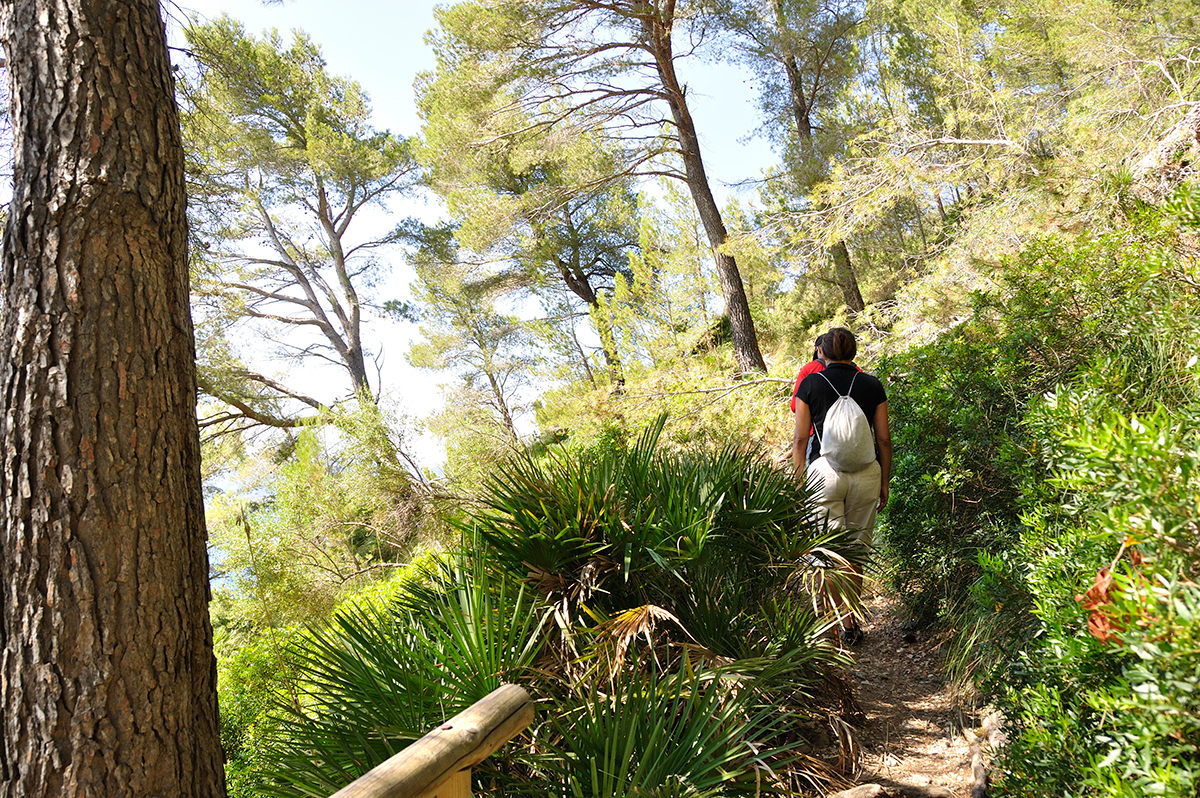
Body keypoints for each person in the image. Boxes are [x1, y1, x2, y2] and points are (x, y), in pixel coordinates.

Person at [792, 327, 891, 645]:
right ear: (854, 353)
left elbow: (799, 439)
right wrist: (884, 481)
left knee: (826, 553)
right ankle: (850, 623)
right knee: (855, 554)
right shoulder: (872, 384)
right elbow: (884, 439)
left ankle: (829, 626)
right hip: (866, 474)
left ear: (821, 353)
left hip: (823, 474)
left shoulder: (810, 383)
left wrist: (797, 483)